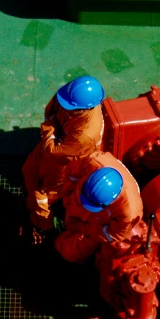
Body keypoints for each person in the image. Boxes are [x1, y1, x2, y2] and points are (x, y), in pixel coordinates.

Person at [22, 76, 104, 231]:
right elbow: (50, 111)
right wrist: (50, 133)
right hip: (54, 143)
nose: (62, 105)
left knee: (44, 195)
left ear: (85, 108)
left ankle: (42, 225)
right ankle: (30, 191)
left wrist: (49, 130)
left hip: (66, 163)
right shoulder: (68, 97)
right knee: (29, 170)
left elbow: (54, 153)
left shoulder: (86, 135)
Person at [55, 151, 143, 263]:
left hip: (95, 224)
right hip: (76, 200)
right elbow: (71, 173)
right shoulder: (91, 162)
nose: (85, 207)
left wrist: (82, 227)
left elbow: (114, 234)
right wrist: (66, 195)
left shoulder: (129, 212)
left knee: (71, 252)